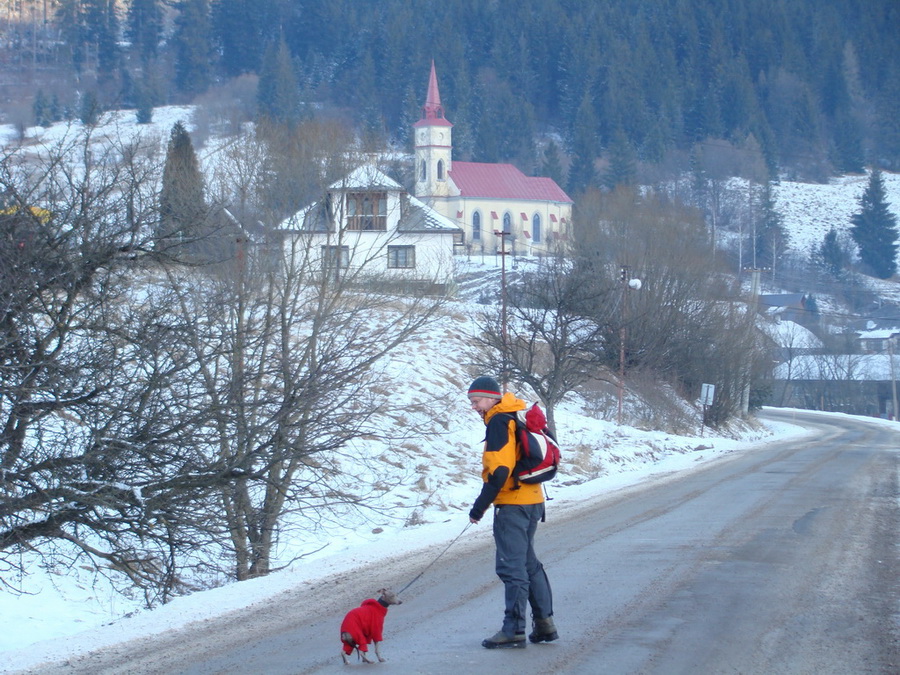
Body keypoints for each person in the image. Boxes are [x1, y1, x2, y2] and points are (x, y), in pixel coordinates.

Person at [466, 375, 558, 649]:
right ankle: (545, 625)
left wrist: (479, 507)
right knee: (529, 564)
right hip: (532, 500)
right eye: (471, 402)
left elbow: (500, 470)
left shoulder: (498, 421)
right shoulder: (514, 414)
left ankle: (513, 629)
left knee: (512, 567)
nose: (474, 406)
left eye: (477, 400)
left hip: (513, 504)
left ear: (492, 398)